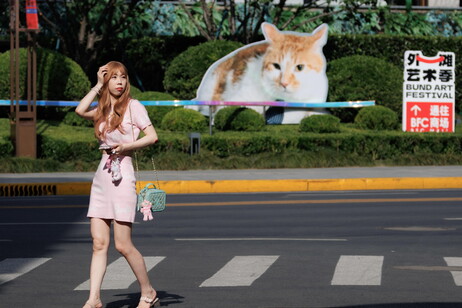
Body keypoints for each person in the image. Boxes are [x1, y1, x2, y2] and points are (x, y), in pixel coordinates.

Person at [76, 61, 160, 308]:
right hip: (102, 175)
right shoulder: (102, 109)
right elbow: (80, 111)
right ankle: (94, 299)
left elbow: (152, 137)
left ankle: (148, 291)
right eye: (114, 77)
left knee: (122, 244)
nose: (120, 82)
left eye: (123, 77)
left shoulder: (134, 107)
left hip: (122, 173)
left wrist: (126, 147)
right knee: (99, 243)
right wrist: (97, 85)